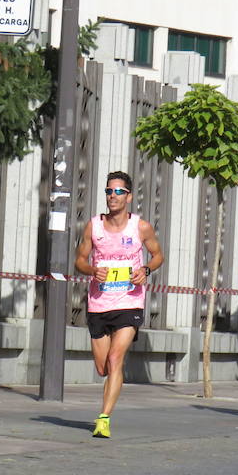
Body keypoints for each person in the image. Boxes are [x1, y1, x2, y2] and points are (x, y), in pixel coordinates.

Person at [74, 171, 163, 439]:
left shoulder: (141, 227)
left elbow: (158, 255)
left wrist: (145, 270)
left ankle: (104, 418)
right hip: (99, 304)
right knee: (103, 367)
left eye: (118, 192)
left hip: (129, 301)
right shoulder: (94, 226)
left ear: (129, 196)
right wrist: (92, 271)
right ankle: (106, 404)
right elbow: (79, 259)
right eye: (109, 191)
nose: (113, 196)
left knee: (115, 359)